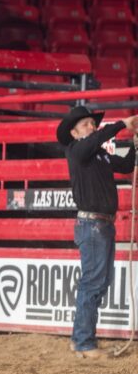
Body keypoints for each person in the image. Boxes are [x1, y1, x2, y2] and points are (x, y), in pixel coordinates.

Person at [57, 106, 138, 359]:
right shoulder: (77, 151)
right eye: (86, 124)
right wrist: (122, 124)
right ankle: (83, 342)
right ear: (73, 132)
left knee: (97, 283)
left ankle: (81, 339)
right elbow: (96, 140)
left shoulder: (97, 155)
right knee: (93, 283)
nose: (92, 127)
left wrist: (135, 145)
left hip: (101, 225)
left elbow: (125, 164)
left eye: (93, 123)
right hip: (93, 226)